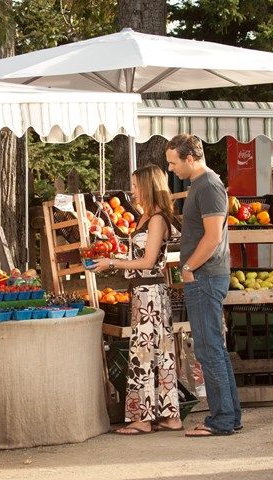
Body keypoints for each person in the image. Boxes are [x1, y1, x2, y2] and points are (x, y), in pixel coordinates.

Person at [90, 164, 182, 435]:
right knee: (159, 352)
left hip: (150, 292)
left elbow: (149, 260)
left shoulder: (156, 219)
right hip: (145, 291)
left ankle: (142, 418)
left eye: (136, 185)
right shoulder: (147, 216)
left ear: (149, 186)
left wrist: (112, 263)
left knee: (144, 352)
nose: (132, 190)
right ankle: (169, 415)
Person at [165, 133, 242, 437]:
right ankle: (230, 416)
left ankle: (221, 420)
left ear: (190, 158)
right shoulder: (200, 185)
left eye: (173, 163)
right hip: (205, 275)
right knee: (215, 350)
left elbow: (213, 237)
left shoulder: (208, 186)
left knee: (209, 350)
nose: (171, 169)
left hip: (205, 276)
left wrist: (188, 267)